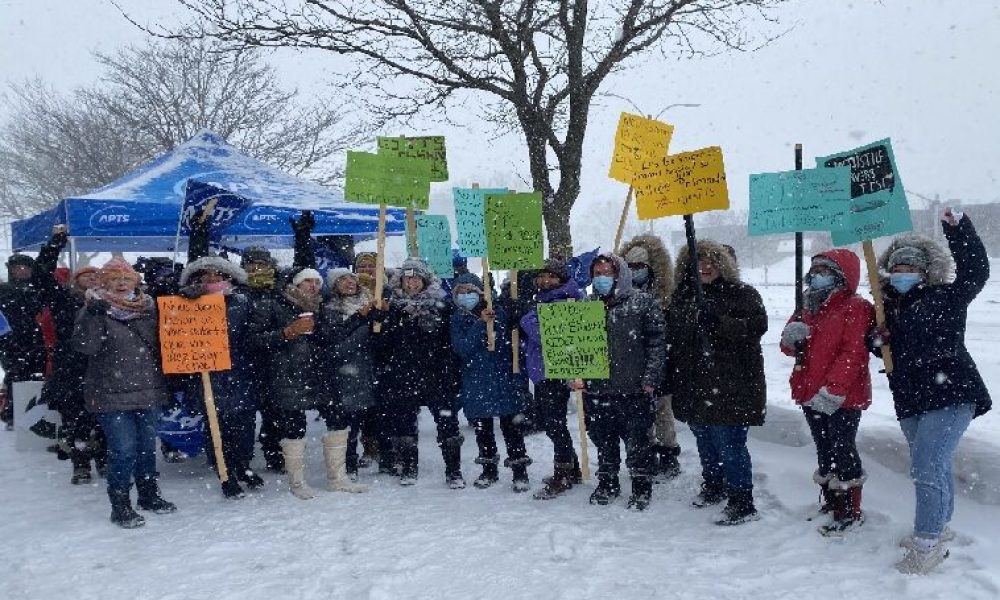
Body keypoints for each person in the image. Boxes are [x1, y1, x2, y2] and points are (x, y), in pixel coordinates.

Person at [872, 210, 992, 575]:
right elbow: (886, 348)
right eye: (898, 265)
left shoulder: (947, 296)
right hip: (910, 398)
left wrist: (958, 229)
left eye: (912, 264)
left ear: (926, 269)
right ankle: (942, 526)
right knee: (932, 465)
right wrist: (875, 341)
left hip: (951, 392)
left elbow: (976, 271)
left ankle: (927, 543)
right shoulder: (886, 305)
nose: (904, 270)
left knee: (926, 464)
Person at [667, 240, 767, 525]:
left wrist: (721, 322)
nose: (705, 267)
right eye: (698, 262)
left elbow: (756, 327)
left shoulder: (743, 294)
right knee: (705, 440)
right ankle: (714, 484)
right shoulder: (684, 297)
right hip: (695, 384)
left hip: (731, 385)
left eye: (712, 261)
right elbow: (675, 340)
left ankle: (741, 499)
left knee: (730, 445)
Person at [72, 258, 176, 528]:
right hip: (110, 393)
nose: (120, 283)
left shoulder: (149, 308)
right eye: (113, 278)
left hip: (149, 390)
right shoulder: (92, 309)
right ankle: (120, 505)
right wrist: (92, 316)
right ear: (103, 283)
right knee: (123, 450)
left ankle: (149, 495)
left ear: (135, 282)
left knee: (146, 449)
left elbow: (165, 340)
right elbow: (85, 347)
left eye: (126, 278)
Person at [780, 249, 874, 535]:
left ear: (841, 277)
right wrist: (791, 337)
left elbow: (853, 353)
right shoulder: (807, 305)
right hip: (810, 391)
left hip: (842, 397)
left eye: (825, 272)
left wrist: (833, 390)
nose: (817, 277)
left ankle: (850, 510)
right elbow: (789, 347)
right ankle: (833, 503)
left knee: (842, 449)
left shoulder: (856, 307)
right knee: (824, 450)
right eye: (815, 272)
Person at [571, 253, 665, 511]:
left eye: (607, 273)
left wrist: (650, 378)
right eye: (597, 274)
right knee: (604, 442)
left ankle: (641, 486)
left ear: (620, 274)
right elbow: (573, 347)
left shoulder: (643, 303)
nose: (601, 278)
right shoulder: (586, 305)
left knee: (638, 444)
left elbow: (657, 343)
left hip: (634, 389)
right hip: (598, 391)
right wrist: (574, 375)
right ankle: (608, 483)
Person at [373, 258, 465, 488]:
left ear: (424, 280)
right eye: (407, 278)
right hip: (403, 374)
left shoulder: (441, 305)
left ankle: (453, 470)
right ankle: (409, 466)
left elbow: (449, 341)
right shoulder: (390, 306)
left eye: (416, 278)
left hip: (436, 374)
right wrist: (385, 321)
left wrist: (450, 371)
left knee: (447, 423)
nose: (412, 283)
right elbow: (382, 344)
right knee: (404, 422)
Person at [177, 255, 262, 498]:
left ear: (229, 276)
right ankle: (225, 474)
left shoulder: (242, 300)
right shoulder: (186, 301)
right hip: (208, 374)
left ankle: (243, 467)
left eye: (218, 274)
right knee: (217, 428)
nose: (213, 278)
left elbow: (251, 333)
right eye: (206, 275)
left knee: (244, 427)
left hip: (239, 371)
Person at [33, 230, 107, 484]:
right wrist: (54, 245)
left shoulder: (110, 302)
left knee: (104, 419)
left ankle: (104, 459)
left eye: (94, 277)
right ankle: (81, 464)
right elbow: (41, 276)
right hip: (71, 369)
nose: (90, 281)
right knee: (74, 420)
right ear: (76, 282)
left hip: (103, 368)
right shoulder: (63, 300)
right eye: (84, 278)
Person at [249, 266, 326, 499]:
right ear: (296, 284)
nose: (312, 286)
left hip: (311, 375)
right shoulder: (276, 303)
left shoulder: (321, 307)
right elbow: (254, 340)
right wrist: (287, 333)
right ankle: (294, 477)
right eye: (307, 281)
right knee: (292, 424)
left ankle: (295, 469)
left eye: (316, 282)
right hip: (283, 374)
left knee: (297, 425)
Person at [450, 272, 531, 492]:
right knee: (483, 429)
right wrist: (480, 325)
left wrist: (511, 317)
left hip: (502, 378)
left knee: (512, 428)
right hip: (476, 381)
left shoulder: (499, 312)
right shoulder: (457, 319)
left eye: (470, 292)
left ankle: (519, 470)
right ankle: (488, 469)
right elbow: (462, 348)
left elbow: (512, 342)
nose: (466, 296)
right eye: (461, 293)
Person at [520, 258, 585, 500]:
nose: (545, 280)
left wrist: (528, 322)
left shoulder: (566, 301)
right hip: (543, 372)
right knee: (551, 423)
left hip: (556, 372)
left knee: (554, 424)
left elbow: (552, 338)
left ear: (562, 279)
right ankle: (573, 467)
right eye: (542, 276)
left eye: (552, 276)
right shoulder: (543, 300)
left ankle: (564, 472)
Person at [621, 234, 681, 480]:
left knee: (662, 412)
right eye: (630, 267)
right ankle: (645, 454)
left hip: (660, 363)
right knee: (638, 416)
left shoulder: (665, 298)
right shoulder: (621, 296)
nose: (635, 272)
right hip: (630, 365)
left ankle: (668, 454)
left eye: (640, 267)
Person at [314, 267, 379, 492]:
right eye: (341, 280)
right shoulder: (328, 310)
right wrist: (363, 326)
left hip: (368, 374)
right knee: (344, 426)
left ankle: (376, 456)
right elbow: (335, 345)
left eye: (350, 278)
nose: (348, 283)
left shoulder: (372, 303)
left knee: (365, 421)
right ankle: (345, 467)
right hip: (341, 377)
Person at [0, 253, 46, 428]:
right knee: (16, 377)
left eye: (25, 268)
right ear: (11, 270)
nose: (22, 271)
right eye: (17, 268)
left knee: (38, 378)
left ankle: (32, 416)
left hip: (38, 341)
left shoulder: (39, 289)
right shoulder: (3, 290)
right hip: (11, 343)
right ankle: (13, 413)